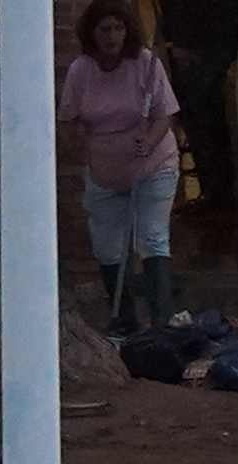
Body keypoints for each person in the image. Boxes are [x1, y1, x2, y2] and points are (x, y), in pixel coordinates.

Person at [64, 9, 188, 337]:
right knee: (108, 245)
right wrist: (84, 149)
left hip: (152, 165)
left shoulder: (146, 65)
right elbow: (71, 118)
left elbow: (165, 114)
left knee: (151, 236)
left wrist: (147, 142)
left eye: (118, 28)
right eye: (105, 29)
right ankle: (124, 316)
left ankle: (162, 320)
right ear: (91, 33)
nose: (112, 36)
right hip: (104, 169)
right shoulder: (81, 71)